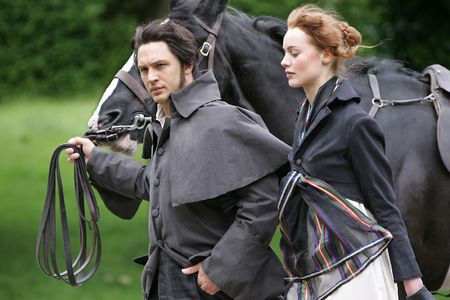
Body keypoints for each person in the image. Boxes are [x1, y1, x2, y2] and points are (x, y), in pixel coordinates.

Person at [66, 19, 291, 300]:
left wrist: (219, 270)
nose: (151, 77)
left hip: (220, 288)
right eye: (145, 69)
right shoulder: (170, 122)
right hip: (169, 281)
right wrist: (94, 159)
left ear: (188, 66)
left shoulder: (221, 120)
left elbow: (263, 205)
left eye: (161, 66)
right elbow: (154, 183)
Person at [277, 4, 434, 300]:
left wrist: (413, 286)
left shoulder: (355, 123)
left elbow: (385, 206)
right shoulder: (304, 118)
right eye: (285, 52)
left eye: (294, 53)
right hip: (315, 269)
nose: (284, 61)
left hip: (355, 274)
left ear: (325, 54)